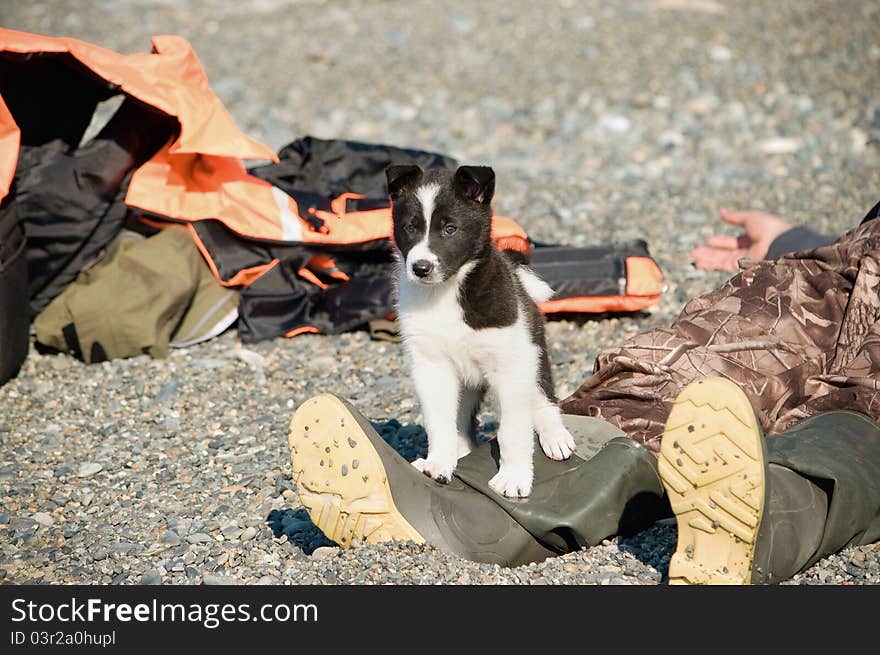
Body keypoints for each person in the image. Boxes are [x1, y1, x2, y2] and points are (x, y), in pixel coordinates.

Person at [287, 200, 880, 585]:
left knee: (858, 408)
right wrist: (798, 237)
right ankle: (464, 510)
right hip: (849, 259)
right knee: (670, 373)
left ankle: (761, 523)